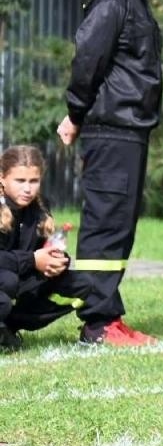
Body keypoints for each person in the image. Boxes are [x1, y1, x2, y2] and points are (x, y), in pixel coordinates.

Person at [55, 0, 163, 346]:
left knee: (120, 224)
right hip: (111, 128)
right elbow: (88, 59)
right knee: (106, 223)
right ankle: (98, 324)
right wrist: (75, 114)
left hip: (131, 128)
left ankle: (108, 314)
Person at [0, 146, 94, 352]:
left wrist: (58, 261)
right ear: (2, 178)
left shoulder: (40, 208)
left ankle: (9, 326)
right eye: (20, 181)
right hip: (7, 280)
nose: (27, 189)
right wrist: (33, 260)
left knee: (83, 284)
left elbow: (44, 249)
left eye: (33, 181)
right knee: (7, 282)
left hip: (20, 276)